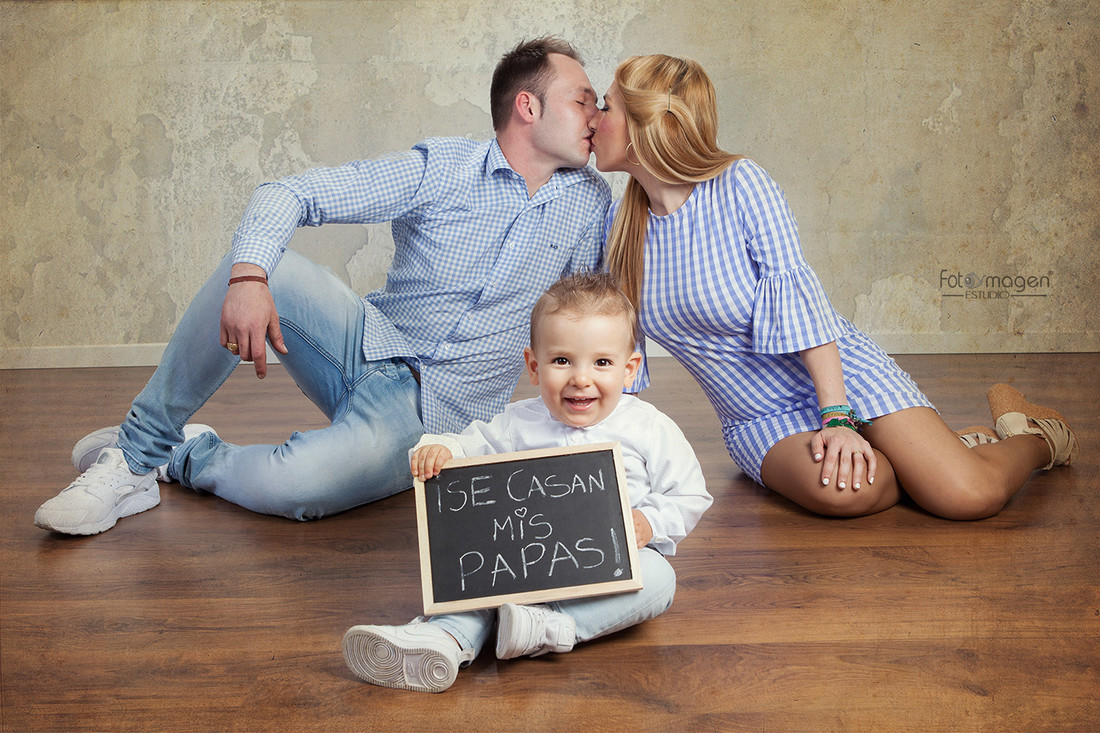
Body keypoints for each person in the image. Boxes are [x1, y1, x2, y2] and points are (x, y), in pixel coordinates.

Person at [34, 37, 611, 535]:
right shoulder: (443, 167)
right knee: (265, 266)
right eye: (582, 100)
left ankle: (184, 453)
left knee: (296, 489)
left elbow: (592, 323)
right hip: (365, 346)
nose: (596, 115)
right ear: (528, 106)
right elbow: (289, 193)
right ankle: (136, 454)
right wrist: (250, 276)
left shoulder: (590, 204)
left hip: (432, 418)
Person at [587, 54, 1079, 521]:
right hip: (759, 419)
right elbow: (615, 351)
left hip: (839, 380)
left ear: (647, 126)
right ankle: (940, 455)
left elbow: (803, 303)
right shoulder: (621, 226)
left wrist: (838, 418)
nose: (593, 119)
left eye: (607, 107)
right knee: (847, 491)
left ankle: (1033, 435)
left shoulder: (739, 184)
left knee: (969, 496)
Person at [341, 272, 711, 693]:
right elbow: (472, 445)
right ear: (534, 366)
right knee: (476, 576)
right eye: (562, 361)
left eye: (602, 363)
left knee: (660, 579)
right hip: (520, 566)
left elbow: (690, 494)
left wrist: (649, 522)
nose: (581, 378)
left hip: (608, 568)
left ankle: (551, 627)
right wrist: (441, 448)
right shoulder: (520, 422)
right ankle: (443, 638)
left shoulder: (649, 427)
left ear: (630, 370)